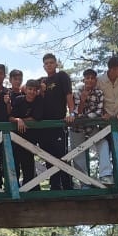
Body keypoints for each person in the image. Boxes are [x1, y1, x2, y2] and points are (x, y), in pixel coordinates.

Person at [38, 53, 75, 189]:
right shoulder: (41, 81)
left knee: (62, 154)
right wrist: (40, 90)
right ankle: (54, 185)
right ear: (43, 66)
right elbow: (26, 89)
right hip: (44, 125)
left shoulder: (62, 76)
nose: (49, 65)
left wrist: (71, 113)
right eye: (46, 63)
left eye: (51, 62)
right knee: (49, 156)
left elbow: (68, 94)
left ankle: (68, 185)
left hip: (59, 122)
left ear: (56, 64)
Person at [70, 68, 105, 182]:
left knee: (103, 144)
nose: (89, 80)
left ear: (95, 80)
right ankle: (84, 182)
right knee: (78, 153)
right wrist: (83, 100)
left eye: (92, 78)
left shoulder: (99, 93)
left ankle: (106, 175)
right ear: (84, 79)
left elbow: (99, 112)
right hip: (77, 128)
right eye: (87, 78)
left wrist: (85, 118)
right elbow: (76, 112)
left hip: (92, 126)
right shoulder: (77, 92)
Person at [99, 56, 118, 182]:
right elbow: (96, 98)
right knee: (105, 150)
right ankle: (106, 178)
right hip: (104, 122)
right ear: (112, 69)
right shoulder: (99, 80)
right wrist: (103, 112)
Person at [9, 80, 42, 186]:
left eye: (34, 90)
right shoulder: (19, 100)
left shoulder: (39, 101)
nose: (32, 92)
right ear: (25, 89)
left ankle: (30, 189)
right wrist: (18, 120)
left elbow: (36, 118)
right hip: (16, 137)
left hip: (30, 138)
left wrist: (22, 120)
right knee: (15, 163)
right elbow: (10, 117)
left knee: (28, 164)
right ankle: (15, 189)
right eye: (30, 89)